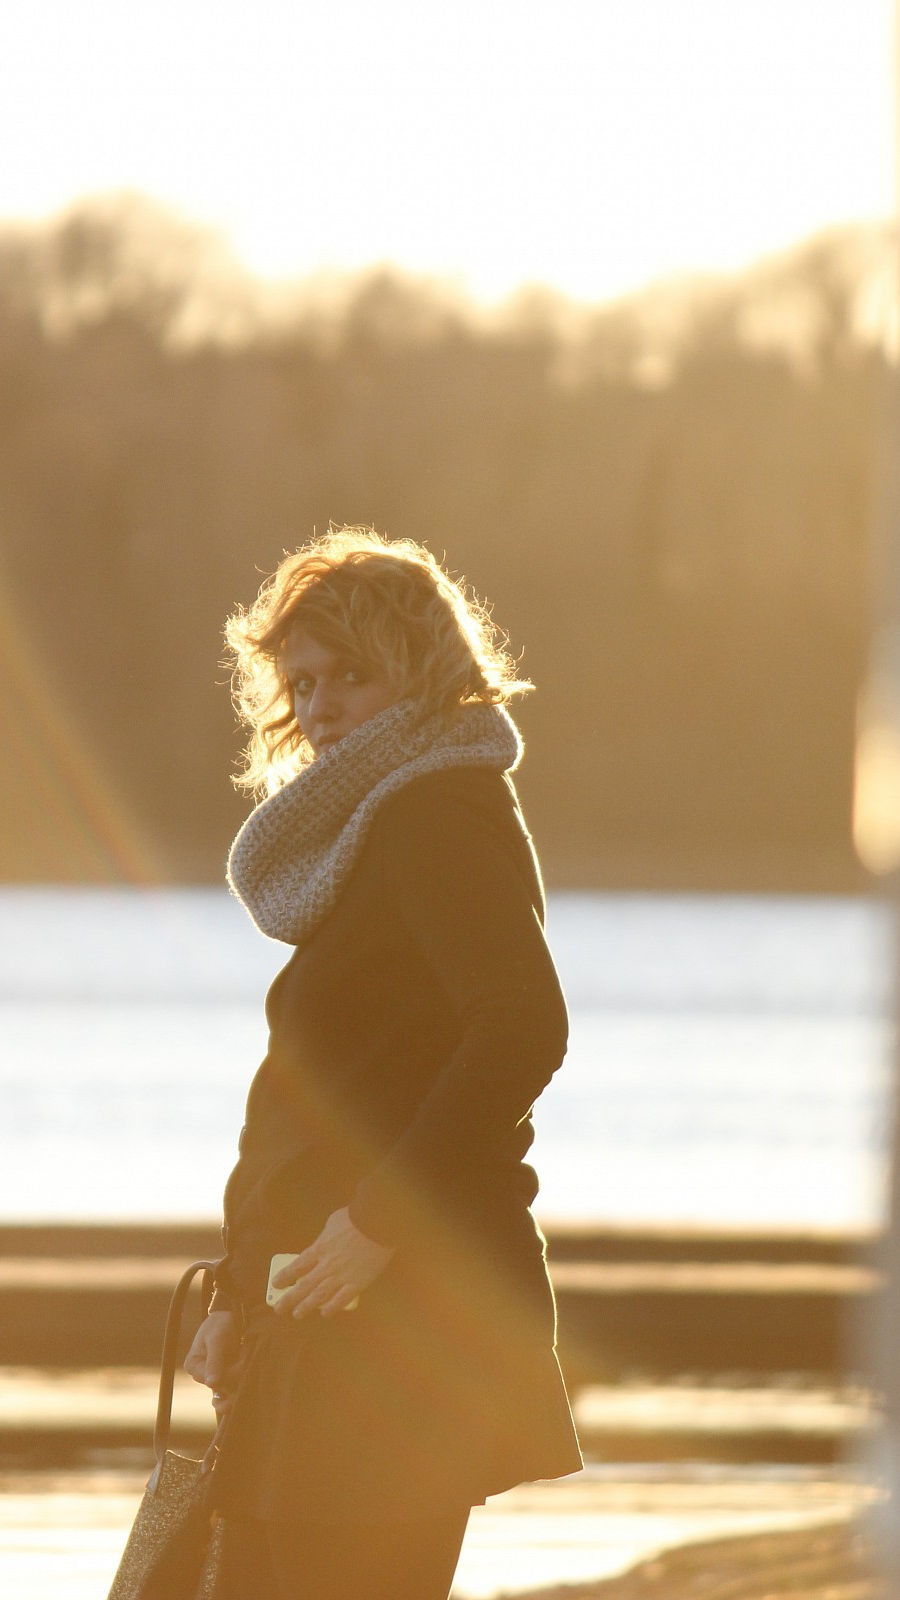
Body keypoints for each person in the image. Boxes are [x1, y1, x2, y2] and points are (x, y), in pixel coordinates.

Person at [184, 527, 582, 1600]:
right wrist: (233, 1288)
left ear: (426, 672)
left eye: (352, 676)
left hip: (402, 1318)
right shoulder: (370, 826)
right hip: (315, 1309)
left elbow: (522, 1028)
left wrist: (376, 1223)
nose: (319, 707)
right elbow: (310, 1095)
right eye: (302, 681)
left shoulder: (437, 812)